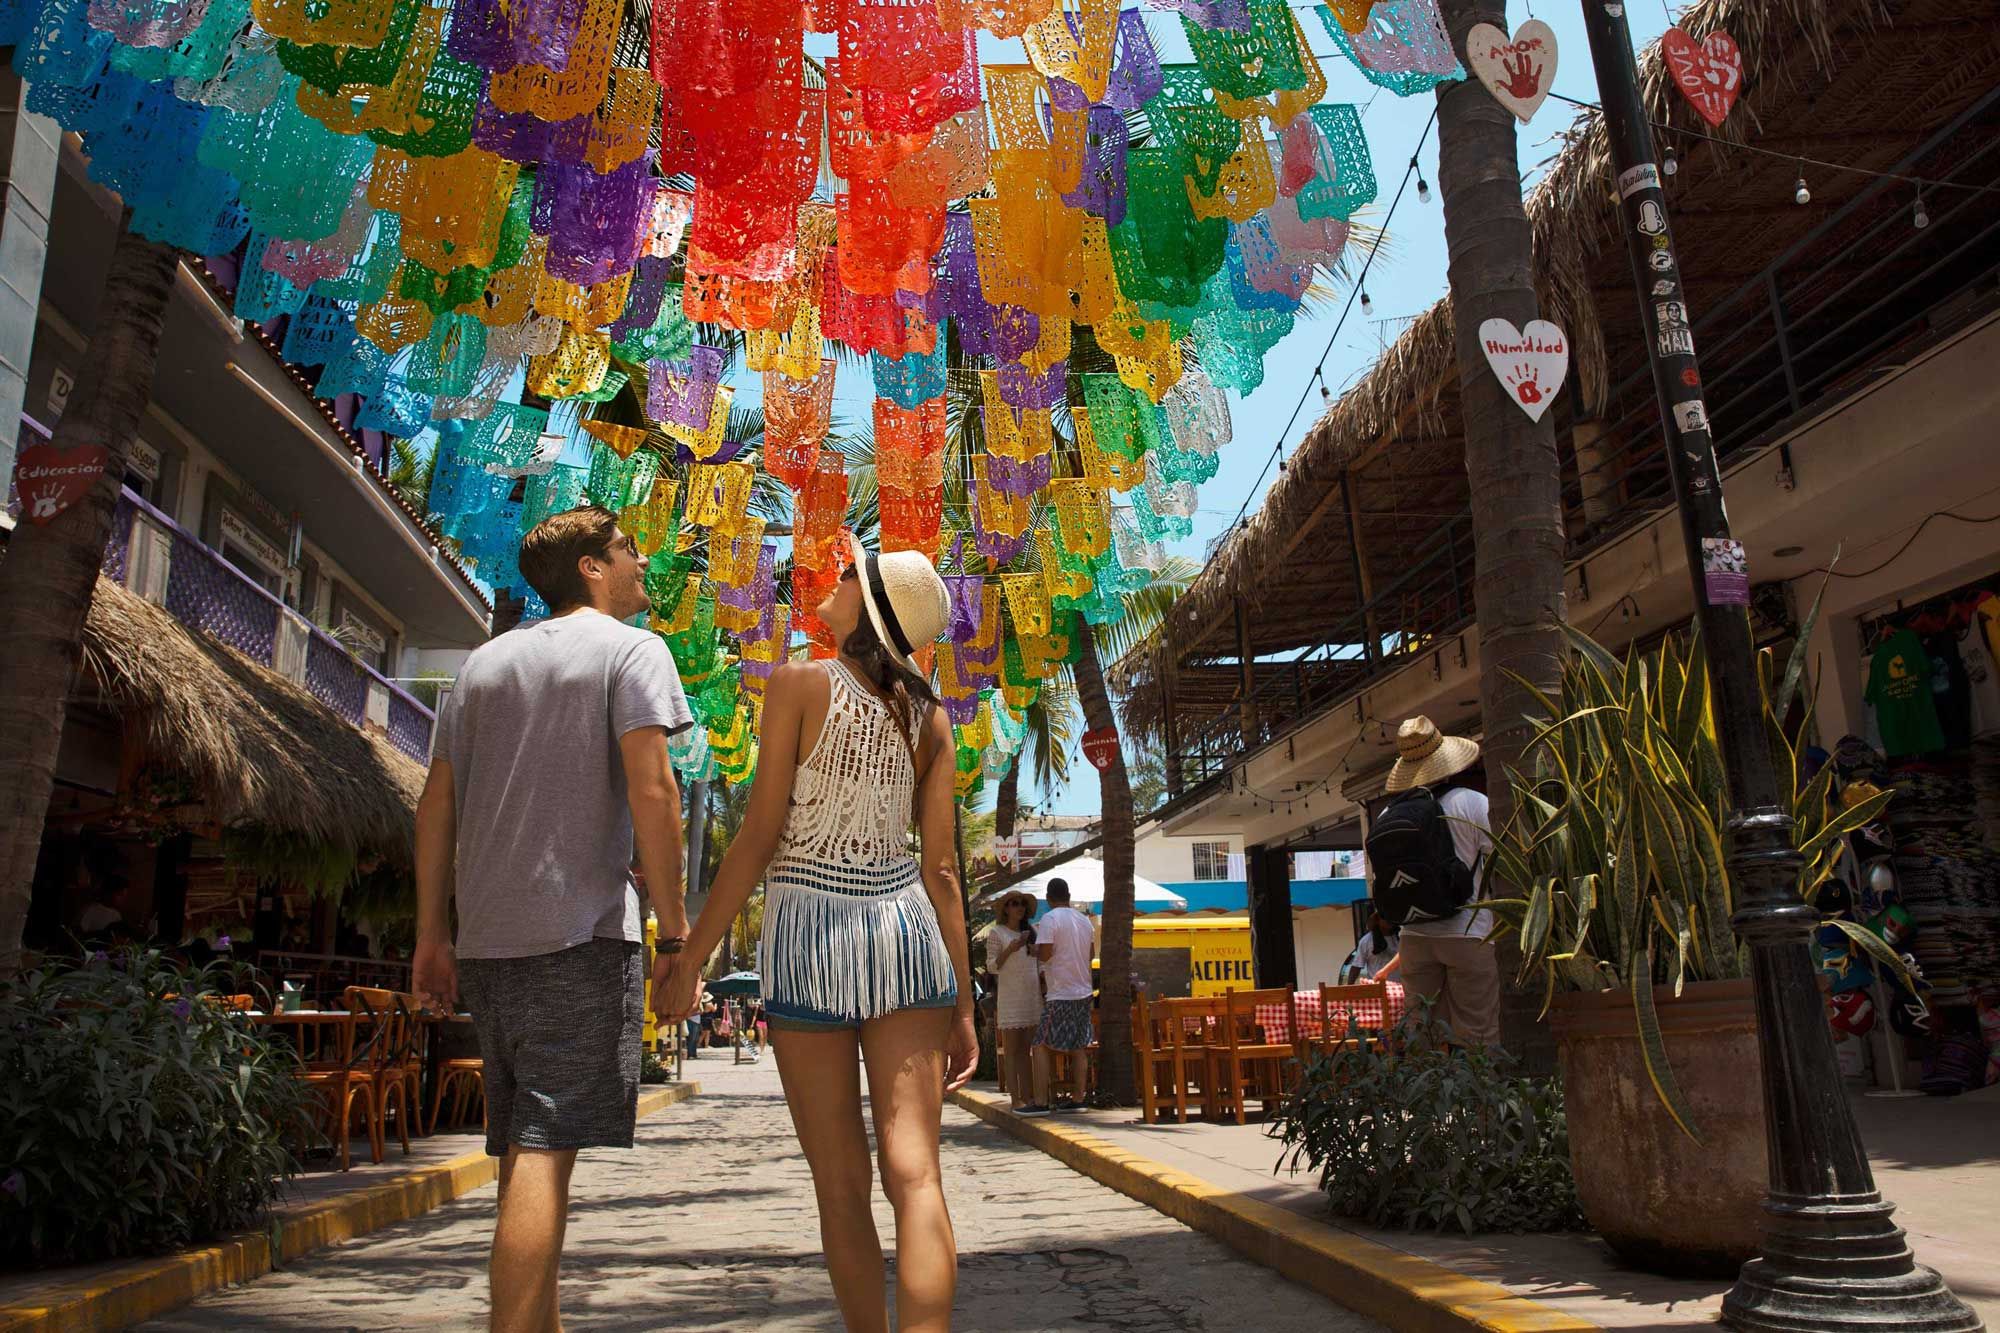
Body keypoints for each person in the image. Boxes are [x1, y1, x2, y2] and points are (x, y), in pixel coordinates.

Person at [657, 537, 973, 1333]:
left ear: (867, 607)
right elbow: (941, 873)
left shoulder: (798, 685)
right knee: (917, 1170)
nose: (828, 585)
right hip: (905, 934)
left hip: (808, 939)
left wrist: (688, 957)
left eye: (844, 578)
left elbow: (758, 836)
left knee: (840, 1179)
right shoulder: (935, 721)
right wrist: (963, 1004)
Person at [411, 505, 692, 1333]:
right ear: (591, 568)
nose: (642, 562)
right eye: (627, 549)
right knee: (542, 1150)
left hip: (490, 946)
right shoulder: (632, 650)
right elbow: (654, 790)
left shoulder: (482, 665)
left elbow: (436, 807)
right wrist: (676, 932)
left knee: (520, 1150)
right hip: (577, 937)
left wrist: (433, 934)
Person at [1367, 716, 1499, 1046]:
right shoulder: (1470, 803)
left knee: (1423, 1034)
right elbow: (1502, 854)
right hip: (1467, 932)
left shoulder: (1387, 815)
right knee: (1477, 1031)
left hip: (1414, 937)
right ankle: (1476, 1098)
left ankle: (1427, 1096)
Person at [1030, 878, 1095, 1114]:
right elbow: (1090, 953)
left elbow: (1046, 955)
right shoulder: (1084, 920)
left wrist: (1034, 949)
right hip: (1083, 989)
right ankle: (1078, 1098)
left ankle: (1040, 1102)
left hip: (1060, 992)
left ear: (1048, 898)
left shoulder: (1050, 919)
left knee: (1040, 1044)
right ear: (1068, 895)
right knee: (1079, 1046)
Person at [985, 891, 1044, 1112]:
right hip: (1011, 996)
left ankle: (1028, 1096)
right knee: (1011, 1050)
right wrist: (1011, 949)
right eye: (1014, 904)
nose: (1019, 907)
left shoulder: (1032, 932)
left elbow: (1040, 965)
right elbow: (992, 966)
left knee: (1027, 1049)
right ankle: (1015, 1098)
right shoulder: (997, 933)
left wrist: (1035, 950)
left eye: (1022, 904)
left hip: (1031, 995)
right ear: (1006, 909)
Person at [1345, 910, 1400, 982]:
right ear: (1377, 921)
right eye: (1384, 917)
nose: (1388, 920)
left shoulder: (1400, 938)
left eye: (1390, 917)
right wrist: (1348, 989)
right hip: (1376, 987)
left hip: (1398, 988)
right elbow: (1356, 966)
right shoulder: (1366, 941)